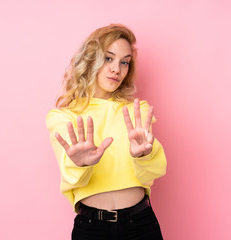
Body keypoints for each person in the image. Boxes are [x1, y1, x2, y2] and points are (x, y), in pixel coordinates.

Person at [46, 24, 167, 240]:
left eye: (124, 62)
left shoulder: (137, 112)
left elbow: (152, 174)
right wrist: (80, 163)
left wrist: (143, 156)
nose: (116, 69)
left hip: (140, 224)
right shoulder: (64, 117)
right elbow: (72, 177)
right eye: (108, 58)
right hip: (92, 228)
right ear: (91, 59)